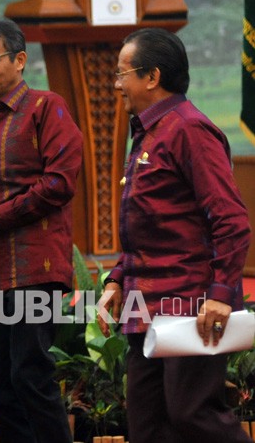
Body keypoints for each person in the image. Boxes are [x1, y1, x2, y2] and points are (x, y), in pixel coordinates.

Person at [97, 28, 251, 443]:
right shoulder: (149, 131)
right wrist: (116, 279)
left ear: (152, 76)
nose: (116, 84)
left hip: (190, 302)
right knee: (148, 426)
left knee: (192, 414)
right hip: (144, 303)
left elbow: (231, 220)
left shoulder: (189, 130)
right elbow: (150, 225)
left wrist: (220, 293)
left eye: (121, 73)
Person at [0, 18, 82, 443]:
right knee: (1, 386)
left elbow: (60, 183)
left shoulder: (47, 106)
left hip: (36, 270)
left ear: (20, 60)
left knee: (30, 375)